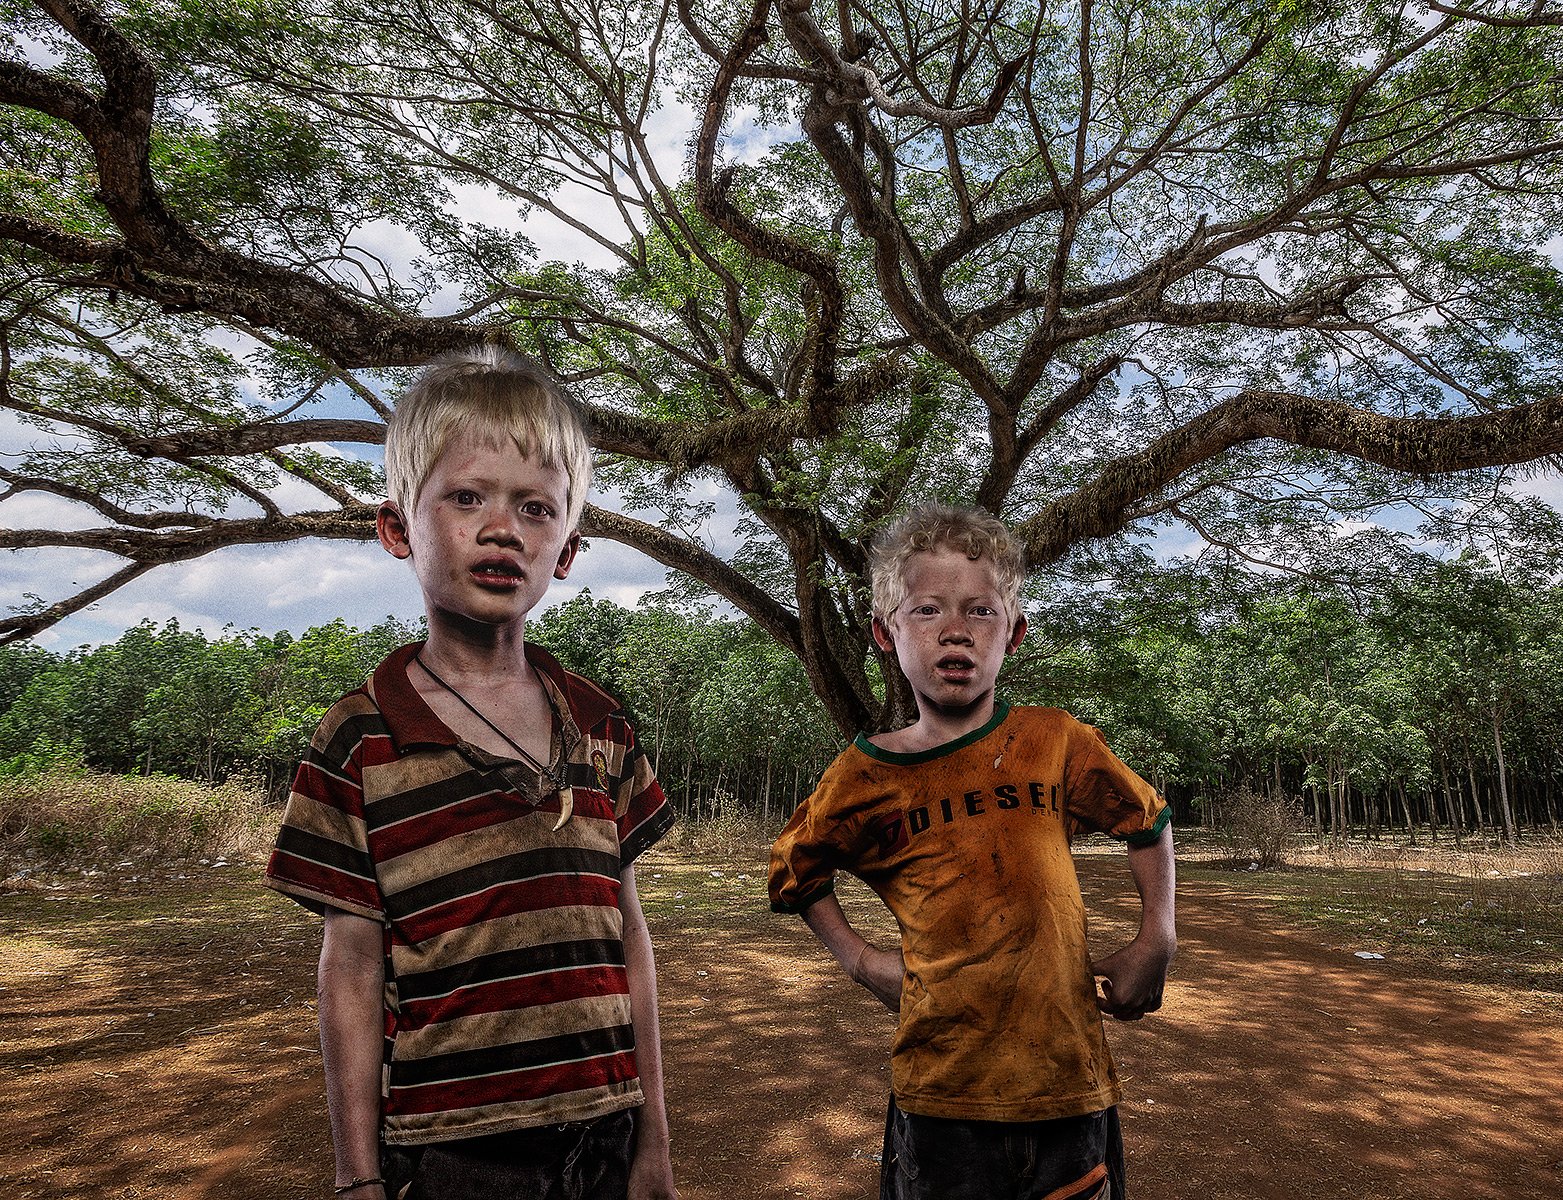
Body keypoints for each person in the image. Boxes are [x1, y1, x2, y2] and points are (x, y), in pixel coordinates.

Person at [266, 346, 679, 1200]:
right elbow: (350, 966)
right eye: (466, 497)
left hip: (606, 1131)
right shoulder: (363, 736)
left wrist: (653, 1144)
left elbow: (628, 935)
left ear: (565, 550)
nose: (502, 529)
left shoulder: (600, 725)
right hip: (454, 1152)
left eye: (537, 508)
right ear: (395, 529)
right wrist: (355, 1177)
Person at [768, 503, 1177, 1200]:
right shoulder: (862, 777)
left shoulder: (1054, 742)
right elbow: (794, 871)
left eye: (980, 612)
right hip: (940, 1095)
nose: (955, 629)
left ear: (1013, 633)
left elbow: (1146, 818)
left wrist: (1156, 937)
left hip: (1066, 1085)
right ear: (884, 634)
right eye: (926, 610)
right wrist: (862, 961)